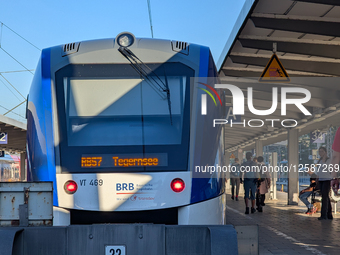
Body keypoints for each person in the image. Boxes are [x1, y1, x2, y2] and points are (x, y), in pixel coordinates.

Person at [317, 147, 332, 220]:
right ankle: (329, 214)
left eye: (322, 151)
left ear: (325, 152)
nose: (320, 153)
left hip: (327, 180)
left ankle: (323, 215)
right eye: (319, 151)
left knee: (324, 197)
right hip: (321, 180)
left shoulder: (328, 160)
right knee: (325, 197)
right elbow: (319, 170)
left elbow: (327, 169)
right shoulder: (319, 161)